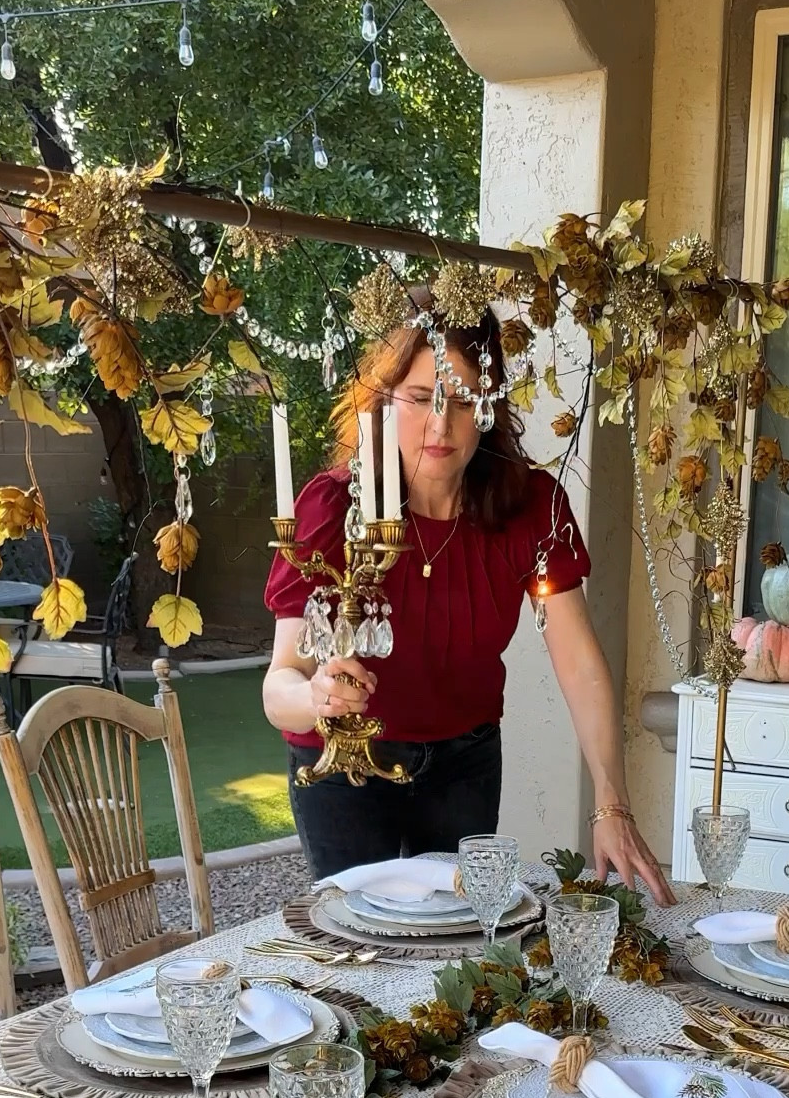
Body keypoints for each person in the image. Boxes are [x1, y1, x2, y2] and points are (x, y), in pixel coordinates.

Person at [262, 287, 673, 905]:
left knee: (463, 939)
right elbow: (278, 687)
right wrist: (317, 697)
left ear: (490, 404)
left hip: (465, 762)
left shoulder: (531, 509)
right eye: (421, 398)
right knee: (359, 947)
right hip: (344, 768)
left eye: (463, 400)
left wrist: (610, 804)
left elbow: (579, 662)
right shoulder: (332, 509)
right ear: (384, 397)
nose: (440, 424)